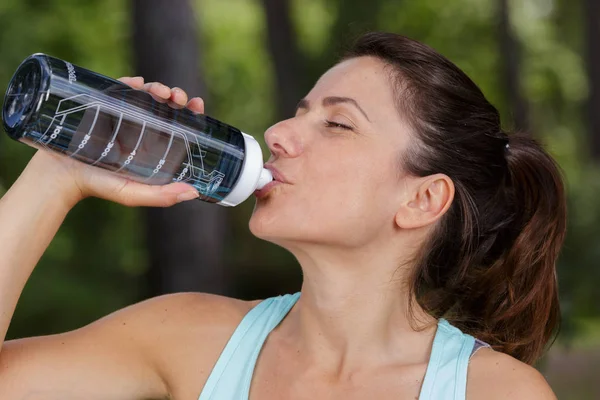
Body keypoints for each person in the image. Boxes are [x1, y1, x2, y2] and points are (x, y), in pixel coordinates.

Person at [0, 32, 565, 399]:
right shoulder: (187, 336)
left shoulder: (494, 392)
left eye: (337, 124)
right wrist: (57, 176)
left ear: (421, 200)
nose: (278, 133)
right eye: (301, 112)